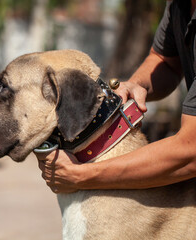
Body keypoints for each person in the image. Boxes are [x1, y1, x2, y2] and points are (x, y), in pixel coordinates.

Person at [36, 0, 196, 194]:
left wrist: (81, 176)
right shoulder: (179, 5)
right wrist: (136, 84)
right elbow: (165, 60)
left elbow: (190, 150)